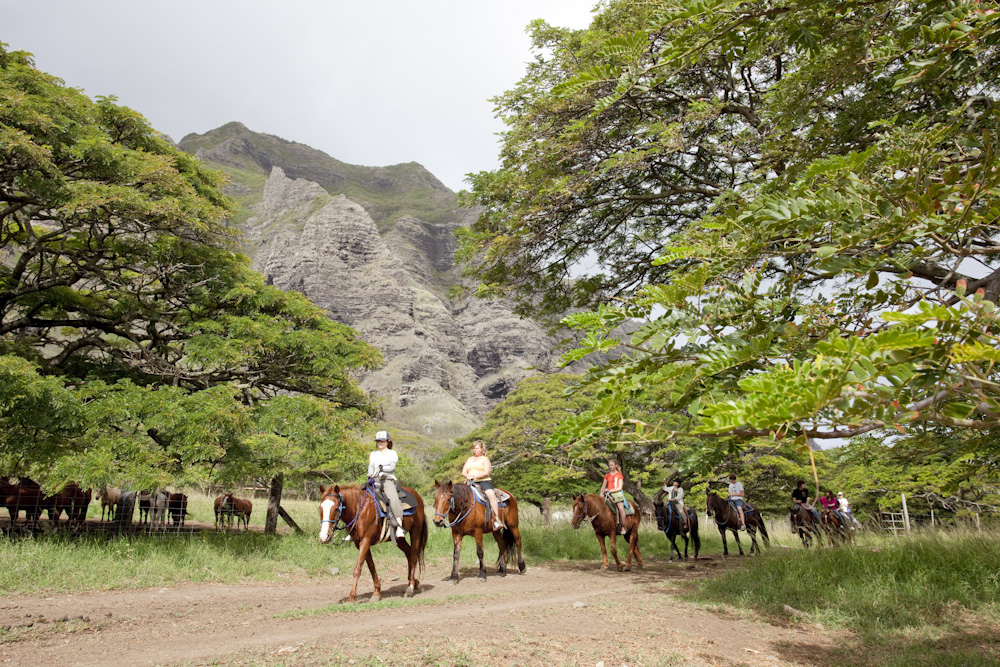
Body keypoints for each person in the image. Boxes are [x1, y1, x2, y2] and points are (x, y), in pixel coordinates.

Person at [369, 430, 406, 538]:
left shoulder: (392, 453)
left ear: (388, 441)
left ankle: (399, 526)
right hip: (374, 480)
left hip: (387, 480)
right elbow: (371, 467)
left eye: (382, 441)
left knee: (393, 498)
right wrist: (370, 474)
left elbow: (391, 468)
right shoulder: (373, 454)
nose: (379, 443)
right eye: (378, 441)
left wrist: (381, 468)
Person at [461, 439, 502, 530]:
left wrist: (475, 475)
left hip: (483, 481)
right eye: (474, 448)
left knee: (491, 495)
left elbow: (486, 472)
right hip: (471, 481)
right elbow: (463, 472)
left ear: (482, 449)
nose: (474, 450)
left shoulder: (485, 459)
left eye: (477, 448)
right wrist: (468, 476)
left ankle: (496, 519)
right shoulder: (469, 459)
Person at [599, 459, 629, 535]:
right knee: (599, 506)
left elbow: (619, 488)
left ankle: (624, 526)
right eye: (609, 465)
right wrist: (601, 493)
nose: (611, 467)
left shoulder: (619, 475)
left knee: (621, 509)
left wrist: (609, 490)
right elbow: (603, 486)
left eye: (612, 465)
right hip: (608, 494)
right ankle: (599, 525)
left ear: (615, 466)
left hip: (617, 494)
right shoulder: (607, 475)